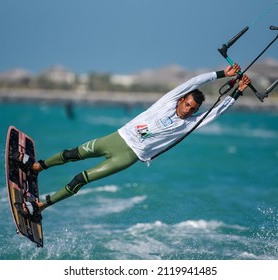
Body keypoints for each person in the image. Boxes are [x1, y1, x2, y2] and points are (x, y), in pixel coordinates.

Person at [15, 64, 251, 221]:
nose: (188, 110)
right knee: (71, 154)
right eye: (187, 104)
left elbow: (217, 112)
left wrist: (237, 92)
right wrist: (222, 74)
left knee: (81, 179)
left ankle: (41, 206)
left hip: (128, 156)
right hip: (117, 138)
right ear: (181, 100)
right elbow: (193, 81)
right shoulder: (168, 101)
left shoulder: (189, 124)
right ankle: (36, 167)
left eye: (193, 109)